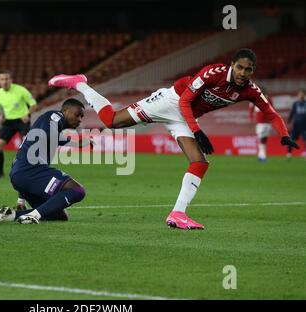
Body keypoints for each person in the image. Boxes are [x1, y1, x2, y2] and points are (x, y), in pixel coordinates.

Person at [48, 48, 299, 230]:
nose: (244, 73)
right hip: (170, 101)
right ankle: (81, 84)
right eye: (241, 67)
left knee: (199, 162)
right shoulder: (213, 73)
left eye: (249, 69)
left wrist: (285, 135)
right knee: (112, 121)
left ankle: (178, 213)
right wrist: (197, 131)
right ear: (232, 64)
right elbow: (186, 100)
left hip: (185, 115)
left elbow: (271, 113)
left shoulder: (250, 90)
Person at [0, 98, 91, 224]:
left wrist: (21, 200)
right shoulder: (55, 116)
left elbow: (20, 162)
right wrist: (75, 143)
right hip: (32, 171)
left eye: (82, 117)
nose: (79, 119)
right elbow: (50, 133)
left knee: (57, 214)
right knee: (78, 191)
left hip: (20, 175)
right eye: (77, 115)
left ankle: (8, 215)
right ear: (65, 111)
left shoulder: (47, 127)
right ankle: (32, 216)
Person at [0, 71, 40, 178]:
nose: (5, 82)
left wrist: (28, 114)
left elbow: (33, 104)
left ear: (11, 80)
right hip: (8, 122)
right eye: (2, 79)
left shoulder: (20, 90)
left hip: (23, 120)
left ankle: (30, 171)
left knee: (28, 146)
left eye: (7, 79)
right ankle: (0, 172)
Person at [248, 88, 274, 162]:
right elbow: (250, 108)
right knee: (261, 140)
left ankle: (261, 156)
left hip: (268, 123)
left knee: (264, 140)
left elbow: (272, 109)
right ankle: (263, 156)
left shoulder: (268, 99)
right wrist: (250, 117)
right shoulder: (254, 99)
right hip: (260, 123)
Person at [287, 89, 306, 159]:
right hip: (296, 125)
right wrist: (289, 121)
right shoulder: (295, 104)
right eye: (299, 94)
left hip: (304, 126)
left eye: (302, 94)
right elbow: (292, 113)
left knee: (305, 139)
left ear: (304, 95)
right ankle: (289, 154)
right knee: (291, 139)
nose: (300, 95)